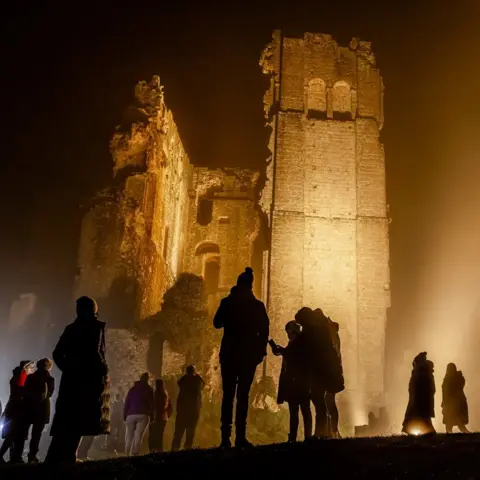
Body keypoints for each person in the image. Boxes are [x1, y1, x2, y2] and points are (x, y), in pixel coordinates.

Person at [45, 296, 110, 465]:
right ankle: (66, 456)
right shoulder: (94, 327)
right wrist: (101, 369)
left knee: (71, 419)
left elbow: (58, 354)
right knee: (78, 419)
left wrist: (69, 368)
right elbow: (95, 352)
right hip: (86, 381)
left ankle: (65, 456)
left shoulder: (72, 328)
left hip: (74, 380)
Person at [214, 267, 269, 448]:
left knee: (228, 395)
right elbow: (264, 331)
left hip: (229, 353)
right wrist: (260, 352)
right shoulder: (257, 306)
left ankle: (225, 438)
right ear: (251, 286)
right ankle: (240, 437)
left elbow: (217, 323)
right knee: (243, 395)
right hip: (248, 356)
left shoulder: (227, 302)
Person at [295, 307, 343, 438]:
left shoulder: (312, 331)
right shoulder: (322, 330)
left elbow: (303, 348)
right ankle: (323, 432)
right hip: (323, 371)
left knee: (319, 401)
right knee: (321, 402)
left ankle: (321, 432)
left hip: (317, 371)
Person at [271, 321, 312, 442]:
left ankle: (305, 436)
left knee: (302, 410)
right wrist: (281, 350)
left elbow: (295, 357)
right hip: (295, 382)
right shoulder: (296, 342)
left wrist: (282, 351)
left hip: (299, 382)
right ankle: (296, 436)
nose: (288, 335)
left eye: (288, 332)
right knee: (297, 411)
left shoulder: (300, 344)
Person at [0, 360, 35, 464]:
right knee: (13, 434)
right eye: (31, 368)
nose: (32, 370)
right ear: (26, 368)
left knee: (12, 434)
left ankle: (13, 457)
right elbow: (21, 392)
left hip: (12, 408)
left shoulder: (17, 376)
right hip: (17, 409)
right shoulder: (22, 376)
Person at [23, 358, 55, 463]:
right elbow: (50, 393)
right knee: (37, 433)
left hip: (29, 407)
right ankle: (32, 455)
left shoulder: (31, 377)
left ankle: (17, 454)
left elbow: (26, 391)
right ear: (48, 367)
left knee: (23, 431)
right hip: (43, 408)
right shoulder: (50, 379)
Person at [171, 365, 204, 451]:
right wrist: (197, 375)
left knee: (178, 432)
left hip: (182, 411)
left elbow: (179, 382)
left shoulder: (183, 381)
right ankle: (187, 449)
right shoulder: (197, 381)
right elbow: (202, 384)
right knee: (190, 432)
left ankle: (175, 449)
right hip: (193, 411)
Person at [402, 352, 436, 435]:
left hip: (421, 397)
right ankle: (427, 430)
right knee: (420, 414)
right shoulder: (420, 372)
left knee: (420, 414)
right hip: (420, 397)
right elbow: (416, 386)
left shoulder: (420, 372)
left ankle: (425, 430)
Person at [124, 373, 154, 456]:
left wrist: (125, 416)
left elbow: (127, 403)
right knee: (138, 435)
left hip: (131, 414)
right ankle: (135, 453)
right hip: (143, 414)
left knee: (129, 435)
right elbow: (151, 405)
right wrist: (152, 417)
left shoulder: (132, 389)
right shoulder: (149, 389)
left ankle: (126, 453)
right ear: (147, 379)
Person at [323, 312, 343, 438]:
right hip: (332, 373)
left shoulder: (332, 338)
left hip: (331, 374)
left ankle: (333, 431)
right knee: (327, 402)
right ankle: (331, 431)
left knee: (329, 402)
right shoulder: (334, 337)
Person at [442, 363, 469, 433]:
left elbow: (457, 389)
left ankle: (466, 434)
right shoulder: (447, 379)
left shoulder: (458, 378)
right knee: (449, 423)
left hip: (456, 403)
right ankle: (449, 436)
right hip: (449, 403)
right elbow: (445, 392)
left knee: (458, 422)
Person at [149, 379, 171, 453]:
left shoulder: (155, 394)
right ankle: (159, 449)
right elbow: (170, 406)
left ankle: (154, 449)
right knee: (160, 434)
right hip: (164, 417)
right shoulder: (165, 394)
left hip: (156, 416)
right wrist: (168, 415)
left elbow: (153, 406)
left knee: (154, 434)